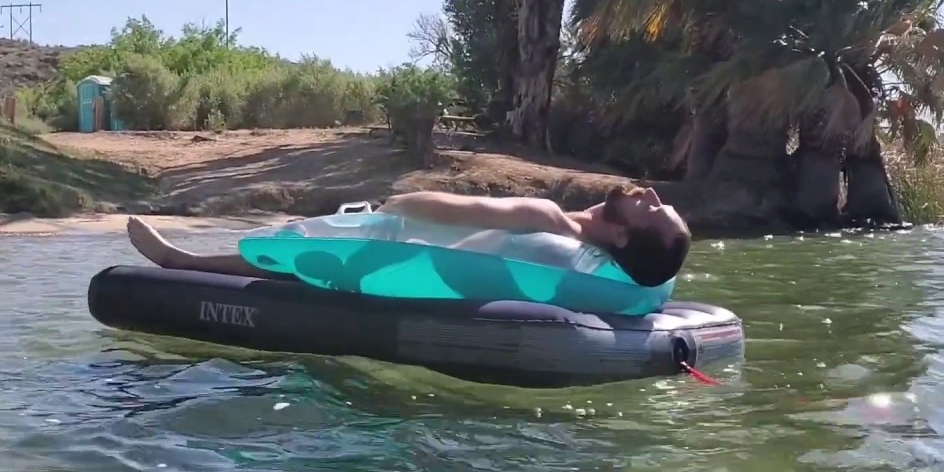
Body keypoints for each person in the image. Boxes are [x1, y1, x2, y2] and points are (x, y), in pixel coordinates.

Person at [126, 184, 692, 288]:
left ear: (624, 236)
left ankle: (181, 261)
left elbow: (450, 210)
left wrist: (392, 207)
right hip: (435, 270)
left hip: (401, 260)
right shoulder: (588, 258)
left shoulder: (548, 217)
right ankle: (182, 258)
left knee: (301, 251)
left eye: (652, 208)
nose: (649, 193)